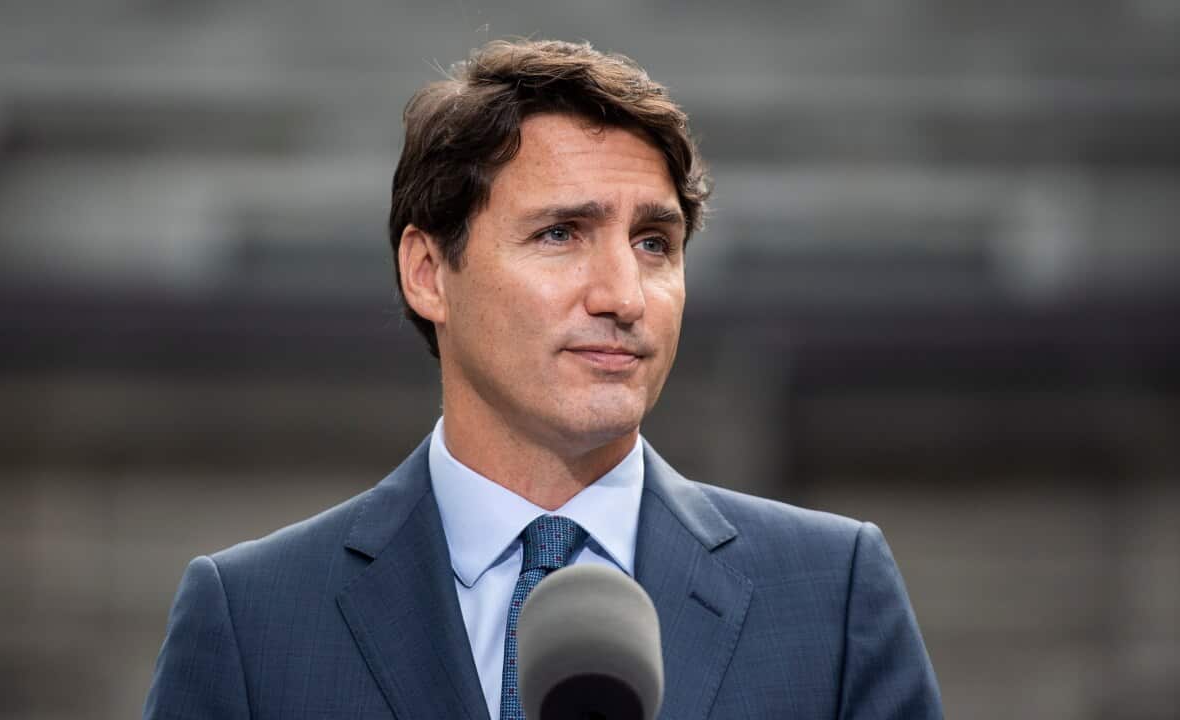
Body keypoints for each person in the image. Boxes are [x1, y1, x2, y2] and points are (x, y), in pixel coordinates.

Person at [144, 39, 943, 720]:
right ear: (428, 273)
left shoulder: (831, 596)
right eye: (561, 233)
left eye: (655, 243)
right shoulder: (252, 619)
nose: (624, 297)